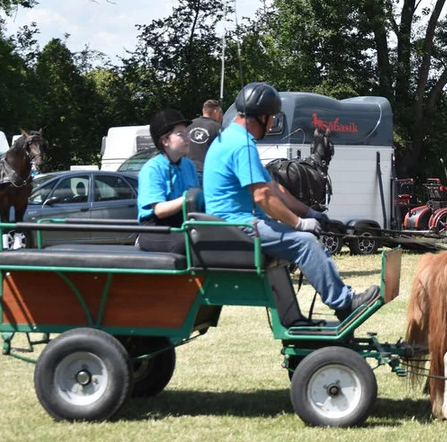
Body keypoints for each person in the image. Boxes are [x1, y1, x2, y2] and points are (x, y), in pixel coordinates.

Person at [204, 82, 378, 321]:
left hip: (237, 224)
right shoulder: (240, 145)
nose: (273, 122)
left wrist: (311, 213)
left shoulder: (233, 139)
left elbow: (274, 188)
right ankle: (345, 303)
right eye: (272, 117)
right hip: (236, 227)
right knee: (305, 242)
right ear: (262, 117)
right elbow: (262, 197)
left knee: (303, 237)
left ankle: (294, 318)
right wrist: (299, 224)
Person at [136, 108, 199, 255]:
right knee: (187, 242)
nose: (187, 138)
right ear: (165, 140)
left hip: (182, 223)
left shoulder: (188, 165)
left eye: (187, 134)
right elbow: (159, 210)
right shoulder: (152, 169)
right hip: (154, 229)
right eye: (180, 134)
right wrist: (188, 198)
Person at [187, 99, 223, 184]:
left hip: (188, 170)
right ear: (215, 111)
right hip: (207, 172)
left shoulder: (189, 124)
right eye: (220, 112)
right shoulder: (218, 128)